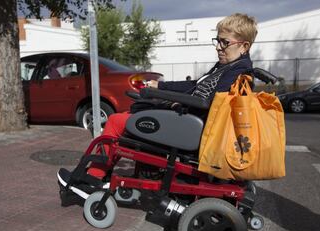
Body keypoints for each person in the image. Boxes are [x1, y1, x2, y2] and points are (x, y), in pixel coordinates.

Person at [89, 13, 258, 178]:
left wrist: (173, 103)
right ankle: (140, 174)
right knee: (131, 116)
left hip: (193, 126)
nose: (218, 47)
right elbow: (195, 85)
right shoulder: (228, 66)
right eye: (218, 40)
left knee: (116, 121)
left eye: (225, 42)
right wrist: (160, 86)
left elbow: (210, 102)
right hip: (190, 120)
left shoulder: (238, 71)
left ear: (244, 46)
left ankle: (93, 176)